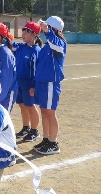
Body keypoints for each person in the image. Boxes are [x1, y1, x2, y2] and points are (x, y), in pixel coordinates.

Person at [33, 16, 67, 155]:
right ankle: (46, 139)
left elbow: (57, 45)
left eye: (47, 26)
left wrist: (48, 32)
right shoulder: (47, 46)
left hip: (51, 83)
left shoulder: (59, 43)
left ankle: (53, 143)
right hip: (42, 83)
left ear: (53, 28)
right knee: (44, 112)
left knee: (50, 113)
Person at [13, 21, 43, 142]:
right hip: (18, 82)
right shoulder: (21, 47)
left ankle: (34, 130)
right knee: (22, 105)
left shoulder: (36, 51)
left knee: (31, 106)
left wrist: (34, 86)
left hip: (29, 84)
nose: (23, 34)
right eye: (23, 31)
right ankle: (26, 127)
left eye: (27, 32)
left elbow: (37, 71)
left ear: (34, 34)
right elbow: (8, 43)